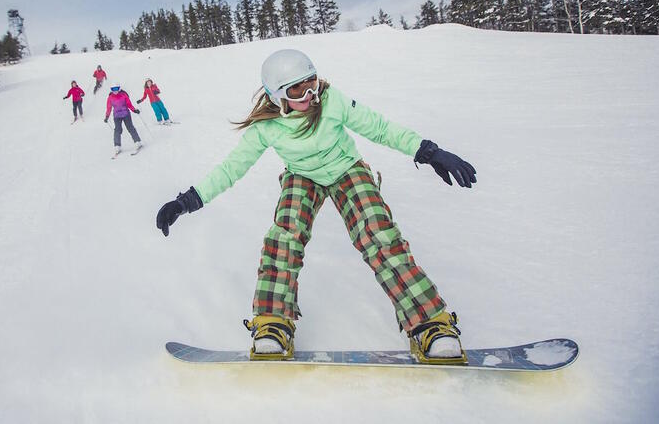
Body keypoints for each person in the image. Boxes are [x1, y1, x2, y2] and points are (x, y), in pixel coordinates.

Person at [154, 49, 477, 364]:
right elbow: (231, 169)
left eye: (312, 81)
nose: (310, 93)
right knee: (285, 236)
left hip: (347, 169)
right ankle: (273, 322)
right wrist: (186, 202)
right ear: (278, 95)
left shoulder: (332, 101)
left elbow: (379, 128)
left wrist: (428, 152)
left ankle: (429, 322)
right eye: (298, 88)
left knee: (378, 234)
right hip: (302, 176)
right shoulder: (266, 128)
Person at [104, 83, 142, 156]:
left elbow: (129, 104)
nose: (115, 91)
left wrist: (134, 110)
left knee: (130, 127)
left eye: (116, 89)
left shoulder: (123, 95)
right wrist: (107, 116)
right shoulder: (110, 97)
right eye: (113, 89)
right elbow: (109, 107)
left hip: (126, 114)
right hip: (117, 116)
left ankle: (137, 142)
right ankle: (117, 146)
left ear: (119, 89)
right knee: (117, 130)